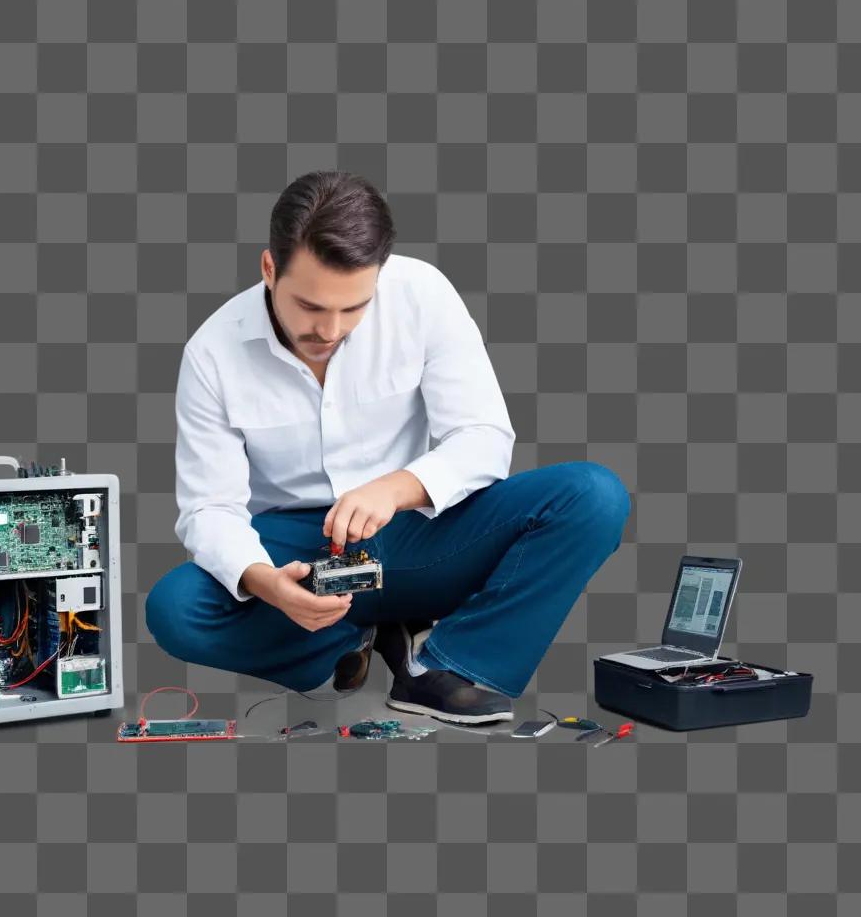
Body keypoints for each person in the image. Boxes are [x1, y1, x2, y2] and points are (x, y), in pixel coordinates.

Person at [145, 171, 631, 724]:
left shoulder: (421, 294)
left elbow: (484, 437)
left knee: (594, 496)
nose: (330, 330)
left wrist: (396, 489)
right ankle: (340, 646)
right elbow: (210, 509)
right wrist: (268, 585)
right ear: (268, 268)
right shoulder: (212, 353)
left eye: (354, 309)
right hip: (296, 550)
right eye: (309, 306)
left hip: (416, 532)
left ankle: (449, 667)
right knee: (175, 609)